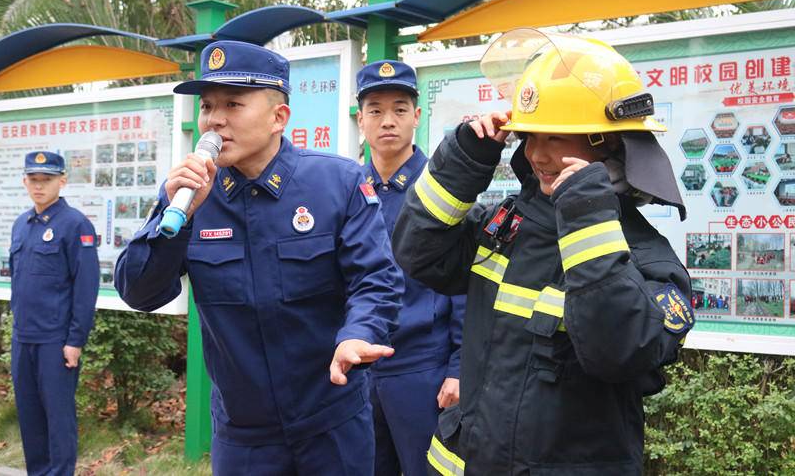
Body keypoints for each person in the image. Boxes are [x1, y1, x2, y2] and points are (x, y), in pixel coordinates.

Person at [393, 29, 694, 475]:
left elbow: (619, 352)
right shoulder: (507, 225)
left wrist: (587, 218)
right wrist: (463, 161)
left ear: (608, 142)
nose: (536, 154)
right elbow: (418, 253)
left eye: (555, 137)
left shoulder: (649, 260)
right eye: (530, 135)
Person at [114, 40, 403, 476]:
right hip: (244, 437)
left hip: (332, 422)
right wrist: (177, 217)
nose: (214, 120)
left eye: (233, 104)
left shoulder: (337, 182)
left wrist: (357, 334)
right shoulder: (190, 194)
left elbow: (376, 279)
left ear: (278, 118)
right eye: (207, 106)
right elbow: (140, 292)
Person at [355, 60, 465, 476]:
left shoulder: (441, 189)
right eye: (376, 110)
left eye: (399, 110)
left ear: (416, 116)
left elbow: (464, 284)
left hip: (423, 369)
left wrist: (459, 368)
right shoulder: (347, 189)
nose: (388, 121)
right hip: (359, 367)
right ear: (360, 119)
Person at [9, 151, 99, 475]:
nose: (39, 186)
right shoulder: (21, 225)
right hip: (23, 339)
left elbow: (85, 287)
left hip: (55, 341)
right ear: (25, 181)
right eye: (33, 179)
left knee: (58, 421)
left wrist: (75, 340)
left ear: (62, 181)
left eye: (46, 179)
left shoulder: (75, 224)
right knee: (30, 419)